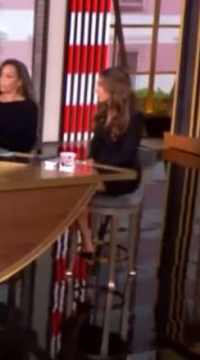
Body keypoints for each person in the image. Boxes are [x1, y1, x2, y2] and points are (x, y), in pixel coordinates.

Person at [76, 67, 144, 257]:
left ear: (114, 88)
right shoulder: (104, 113)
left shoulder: (135, 116)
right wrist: (90, 160)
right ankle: (87, 239)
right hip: (100, 171)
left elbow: (126, 155)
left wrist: (97, 165)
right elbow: (95, 145)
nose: (96, 89)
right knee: (71, 190)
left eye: (100, 85)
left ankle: (87, 242)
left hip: (122, 176)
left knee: (75, 189)